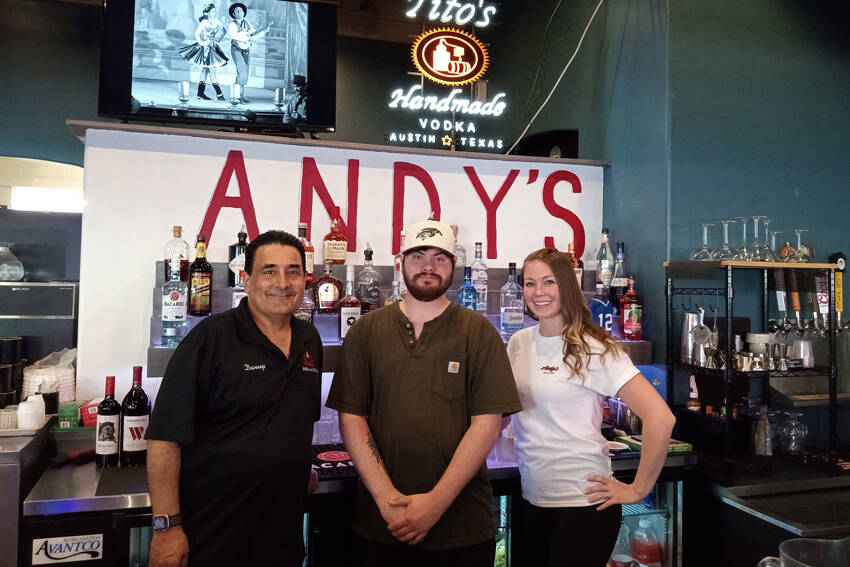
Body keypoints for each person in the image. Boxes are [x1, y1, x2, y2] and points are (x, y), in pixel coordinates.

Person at [327, 218, 522, 567]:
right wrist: (387, 500)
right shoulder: (365, 332)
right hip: (380, 523)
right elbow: (351, 418)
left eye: (440, 257)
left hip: (462, 528)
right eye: (418, 256)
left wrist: (435, 504)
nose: (428, 266)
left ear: (453, 267)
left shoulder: (479, 332)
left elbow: (487, 424)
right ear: (400, 264)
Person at [146, 230, 323, 567]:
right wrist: (167, 528)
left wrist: (301, 467)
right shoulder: (211, 338)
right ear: (247, 279)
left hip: (282, 536)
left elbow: (299, 418)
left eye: (293, 271)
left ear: (305, 279)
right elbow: (163, 439)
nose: (282, 283)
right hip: (215, 534)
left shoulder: (309, 339)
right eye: (269, 271)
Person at [505, 248, 676, 567]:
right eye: (530, 283)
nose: (538, 292)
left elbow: (660, 418)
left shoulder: (595, 347)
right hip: (533, 496)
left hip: (584, 504)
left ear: (567, 286)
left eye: (549, 282)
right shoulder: (519, 343)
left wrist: (638, 489)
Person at [178, 4, 229, 101]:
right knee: (211, 71)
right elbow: (196, 33)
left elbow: (224, 30)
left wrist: (218, 39)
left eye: (215, 11)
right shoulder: (204, 22)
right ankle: (219, 94)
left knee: (205, 71)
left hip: (213, 47)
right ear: (208, 13)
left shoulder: (216, 21)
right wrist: (202, 42)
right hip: (206, 49)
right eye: (212, 12)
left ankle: (200, 93)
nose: (214, 13)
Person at [228, 3, 272, 104]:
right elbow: (235, 36)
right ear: (233, 14)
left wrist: (264, 32)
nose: (240, 12)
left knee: (245, 74)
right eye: (237, 11)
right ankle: (235, 97)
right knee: (242, 72)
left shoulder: (247, 23)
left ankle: (240, 96)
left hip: (247, 50)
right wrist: (247, 38)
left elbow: (254, 36)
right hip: (237, 50)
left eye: (241, 11)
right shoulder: (232, 24)